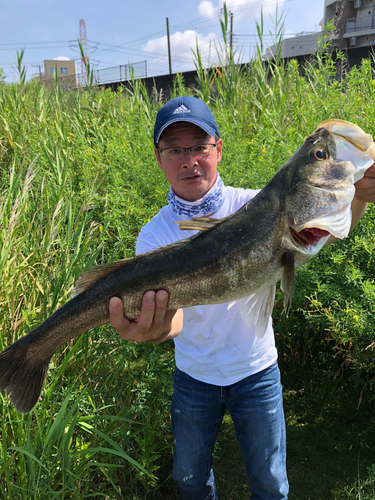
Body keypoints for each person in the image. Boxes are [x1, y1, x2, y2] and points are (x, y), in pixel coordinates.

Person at [108, 96, 375, 500]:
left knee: (271, 483)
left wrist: (358, 197)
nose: (188, 159)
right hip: (194, 375)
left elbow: (323, 228)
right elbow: (175, 319)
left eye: (199, 146)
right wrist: (158, 328)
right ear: (159, 157)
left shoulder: (254, 206)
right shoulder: (155, 236)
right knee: (191, 480)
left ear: (218, 149)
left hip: (257, 370)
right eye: (175, 149)